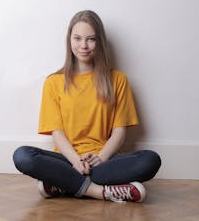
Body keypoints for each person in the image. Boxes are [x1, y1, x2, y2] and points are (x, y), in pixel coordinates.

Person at [13, 10, 161, 203]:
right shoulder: (54, 82)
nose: (83, 45)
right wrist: (76, 161)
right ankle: (99, 191)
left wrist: (101, 158)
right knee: (23, 156)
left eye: (91, 39)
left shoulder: (118, 80)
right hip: (68, 160)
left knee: (150, 160)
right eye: (78, 38)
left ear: (100, 42)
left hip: (103, 161)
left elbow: (119, 133)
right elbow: (57, 133)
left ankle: (63, 184)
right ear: (69, 41)